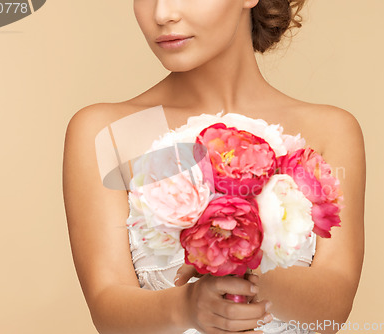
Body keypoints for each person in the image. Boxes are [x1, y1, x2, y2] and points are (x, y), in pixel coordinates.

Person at [62, 0, 366, 333]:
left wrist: (246, 272)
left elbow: (334, 306)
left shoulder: (329, 131)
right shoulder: (107, 132)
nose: (162, 14)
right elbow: (108, 307)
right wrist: (188, 307)